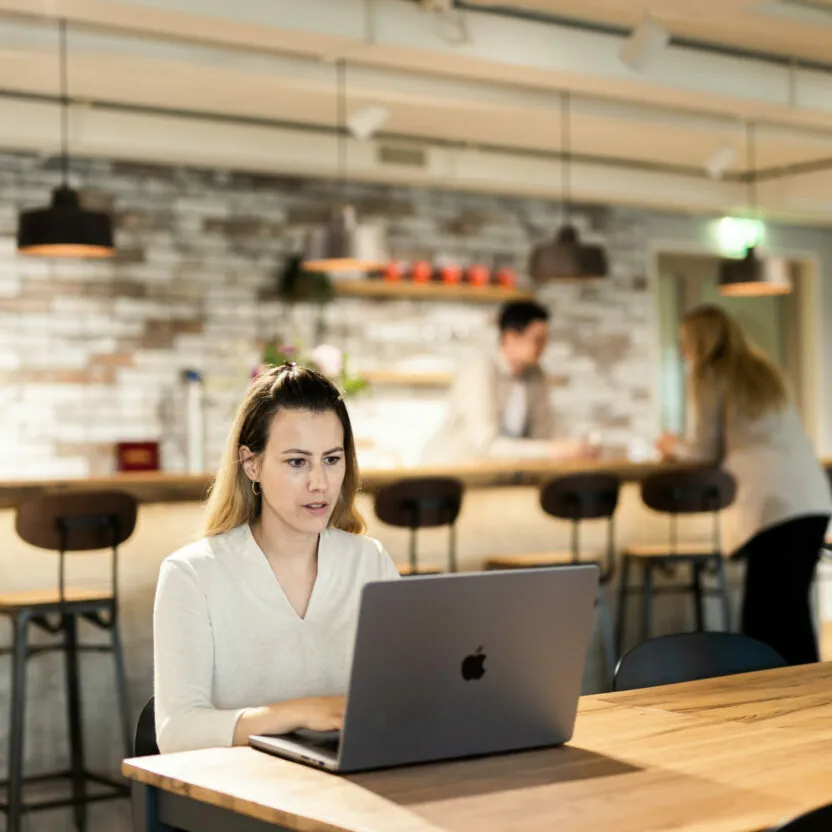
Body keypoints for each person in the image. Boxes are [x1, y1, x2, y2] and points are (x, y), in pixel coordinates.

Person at [153, 364, 400, 754]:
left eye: (332, 459)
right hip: (241, 783)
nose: (319, 483)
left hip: (352, 775)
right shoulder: (192, 575)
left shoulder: (369, 561)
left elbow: (404, 694)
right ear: (251, 464)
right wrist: (299, 713)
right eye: (297, 462)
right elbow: (176, 732)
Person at [657, 305, 831, 665]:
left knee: (765, 617)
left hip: (771, 506)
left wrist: (671, 446)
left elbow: (704, 450)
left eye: (685, 341)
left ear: (700, 341)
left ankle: (771, 692)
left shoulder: (711, 375)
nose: (682, 349)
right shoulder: (763, 369)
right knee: (793, 611)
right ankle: (806, 691)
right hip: (812, 499)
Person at [422, 300, 593, 463]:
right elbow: (485, 446)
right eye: (537, 340)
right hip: (456, 471)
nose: (543, 348)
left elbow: (544, 434)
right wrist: (549, 450)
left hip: (508, 472)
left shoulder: (535, 375)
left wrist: (570, 448)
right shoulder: (479, 371)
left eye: (545, 341)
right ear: (510, 337)